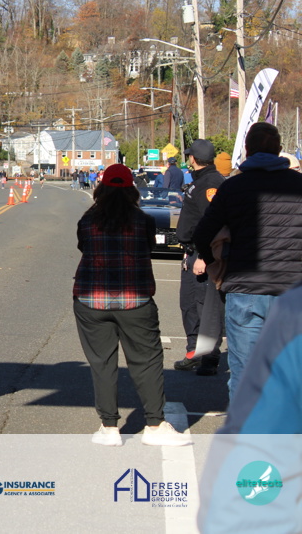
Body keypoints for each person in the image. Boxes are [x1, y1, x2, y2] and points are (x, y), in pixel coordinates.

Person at [72, 163, 190, 447]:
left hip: (91, 299)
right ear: (131, 190)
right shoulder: (143, 220)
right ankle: (154, 424)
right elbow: (147, 248)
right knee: (146, 361)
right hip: (135, 298)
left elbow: (84, 247)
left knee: (102, 363)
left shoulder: (87, 220)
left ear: (100, 189)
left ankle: (109, 427)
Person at [193, 122, 302, 400]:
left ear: (247, 149)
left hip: (245, 286)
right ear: (279, 150)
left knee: (244, 374)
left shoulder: (233, 187)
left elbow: (203, 233)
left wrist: (216, 263)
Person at [173, 139, 225, 376]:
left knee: (205, 307)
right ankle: (194, 351)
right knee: (189, 305)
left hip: (202, 254)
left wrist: (204, 256)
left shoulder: (210, 184)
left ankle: (208, 357)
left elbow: (212, 223)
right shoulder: (201, 181)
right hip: (192, 251)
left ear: (193, 158)